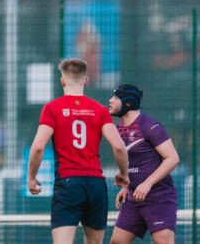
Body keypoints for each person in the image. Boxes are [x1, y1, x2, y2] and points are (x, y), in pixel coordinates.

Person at [27, 59, 129, 244]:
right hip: (96, 184)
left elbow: (38, 147)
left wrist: (31, 177)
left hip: (68, 184)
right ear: (86, 80)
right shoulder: (99, 110)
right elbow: (119, 147)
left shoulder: (52, 109)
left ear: (62, 81)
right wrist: (124, 174)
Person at [108, 85, 179, 244]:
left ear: (128, 103)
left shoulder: (149, 126)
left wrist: (147, 183)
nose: (110, 101)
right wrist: (126, 186)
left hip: (159, 197)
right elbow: (131, 160)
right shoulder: (118, 128)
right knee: (117, 241)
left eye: (116, 97)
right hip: (134, 198)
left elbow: (172, 158)